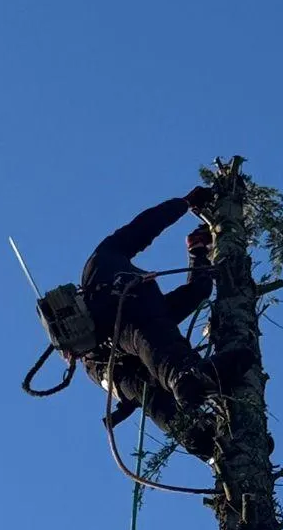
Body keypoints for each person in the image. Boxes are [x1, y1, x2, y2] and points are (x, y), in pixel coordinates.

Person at [79, 188, 229, 456]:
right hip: (113, 353)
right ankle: (185, 381)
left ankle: (215, 439)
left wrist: (197, 246)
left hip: (124, 348)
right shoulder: (102, 264)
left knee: (194, 295)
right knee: (149, 381)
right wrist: (184, 203)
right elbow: (146, 225)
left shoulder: (107, 265)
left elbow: (148, 226)